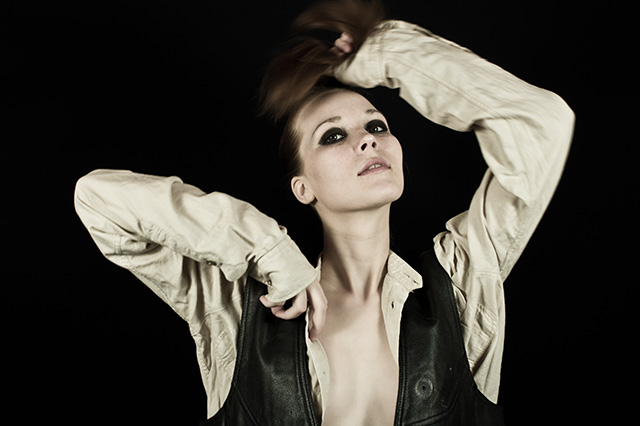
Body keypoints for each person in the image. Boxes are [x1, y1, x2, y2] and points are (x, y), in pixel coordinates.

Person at [74, 1, 574, 424]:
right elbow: (98, 199)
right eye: (333, 136)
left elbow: (543, 124)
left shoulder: (462, 288)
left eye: (376, 125)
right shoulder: (236, 309)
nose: (367, 140)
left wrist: (382, 57)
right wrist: (267, 250)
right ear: (303, 187)